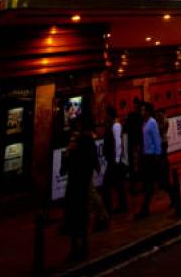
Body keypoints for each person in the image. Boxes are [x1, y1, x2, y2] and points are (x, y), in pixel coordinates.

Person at [61, 129, 98, 260]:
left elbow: (63, 171)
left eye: (73, 141)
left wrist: (68, 154)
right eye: (71, 141)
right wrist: (67, 153)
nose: (71, 143)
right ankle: (79, 247)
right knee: (77, 220)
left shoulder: (79, 157)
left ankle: (80, 248)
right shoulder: (74, 155)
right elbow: (62, 171)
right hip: (75, 190)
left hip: (77, 190)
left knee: (78, 219)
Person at [135, 102, 172, 219]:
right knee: (154, 184)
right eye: (141, 110)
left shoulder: (152, 123)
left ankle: (144, 210)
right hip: (147, 156)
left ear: (148, 112)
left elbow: (156, 139)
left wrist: (158, 155)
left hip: (153, 157)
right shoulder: (144, 123)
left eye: (143, 110)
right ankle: (145, 209)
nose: (142, 112)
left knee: (158, 183)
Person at [102, 106, 127, 215]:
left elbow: (117, 142)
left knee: (107, 184)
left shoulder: (115, 125)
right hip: (113, 160)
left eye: (106, 114)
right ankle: (122, 205)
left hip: (114, 161)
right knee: (117, 184)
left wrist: (116, 159)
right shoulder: (111, 125)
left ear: (109, 114)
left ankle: (108, 209)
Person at [123, 97, 143, 193]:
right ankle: (138, 184)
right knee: (138, 164)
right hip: (138, 143)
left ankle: (133, 185)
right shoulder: (140, 116)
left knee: (133, 164)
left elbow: (125, 128)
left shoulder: (130, 115)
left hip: (132, 143)